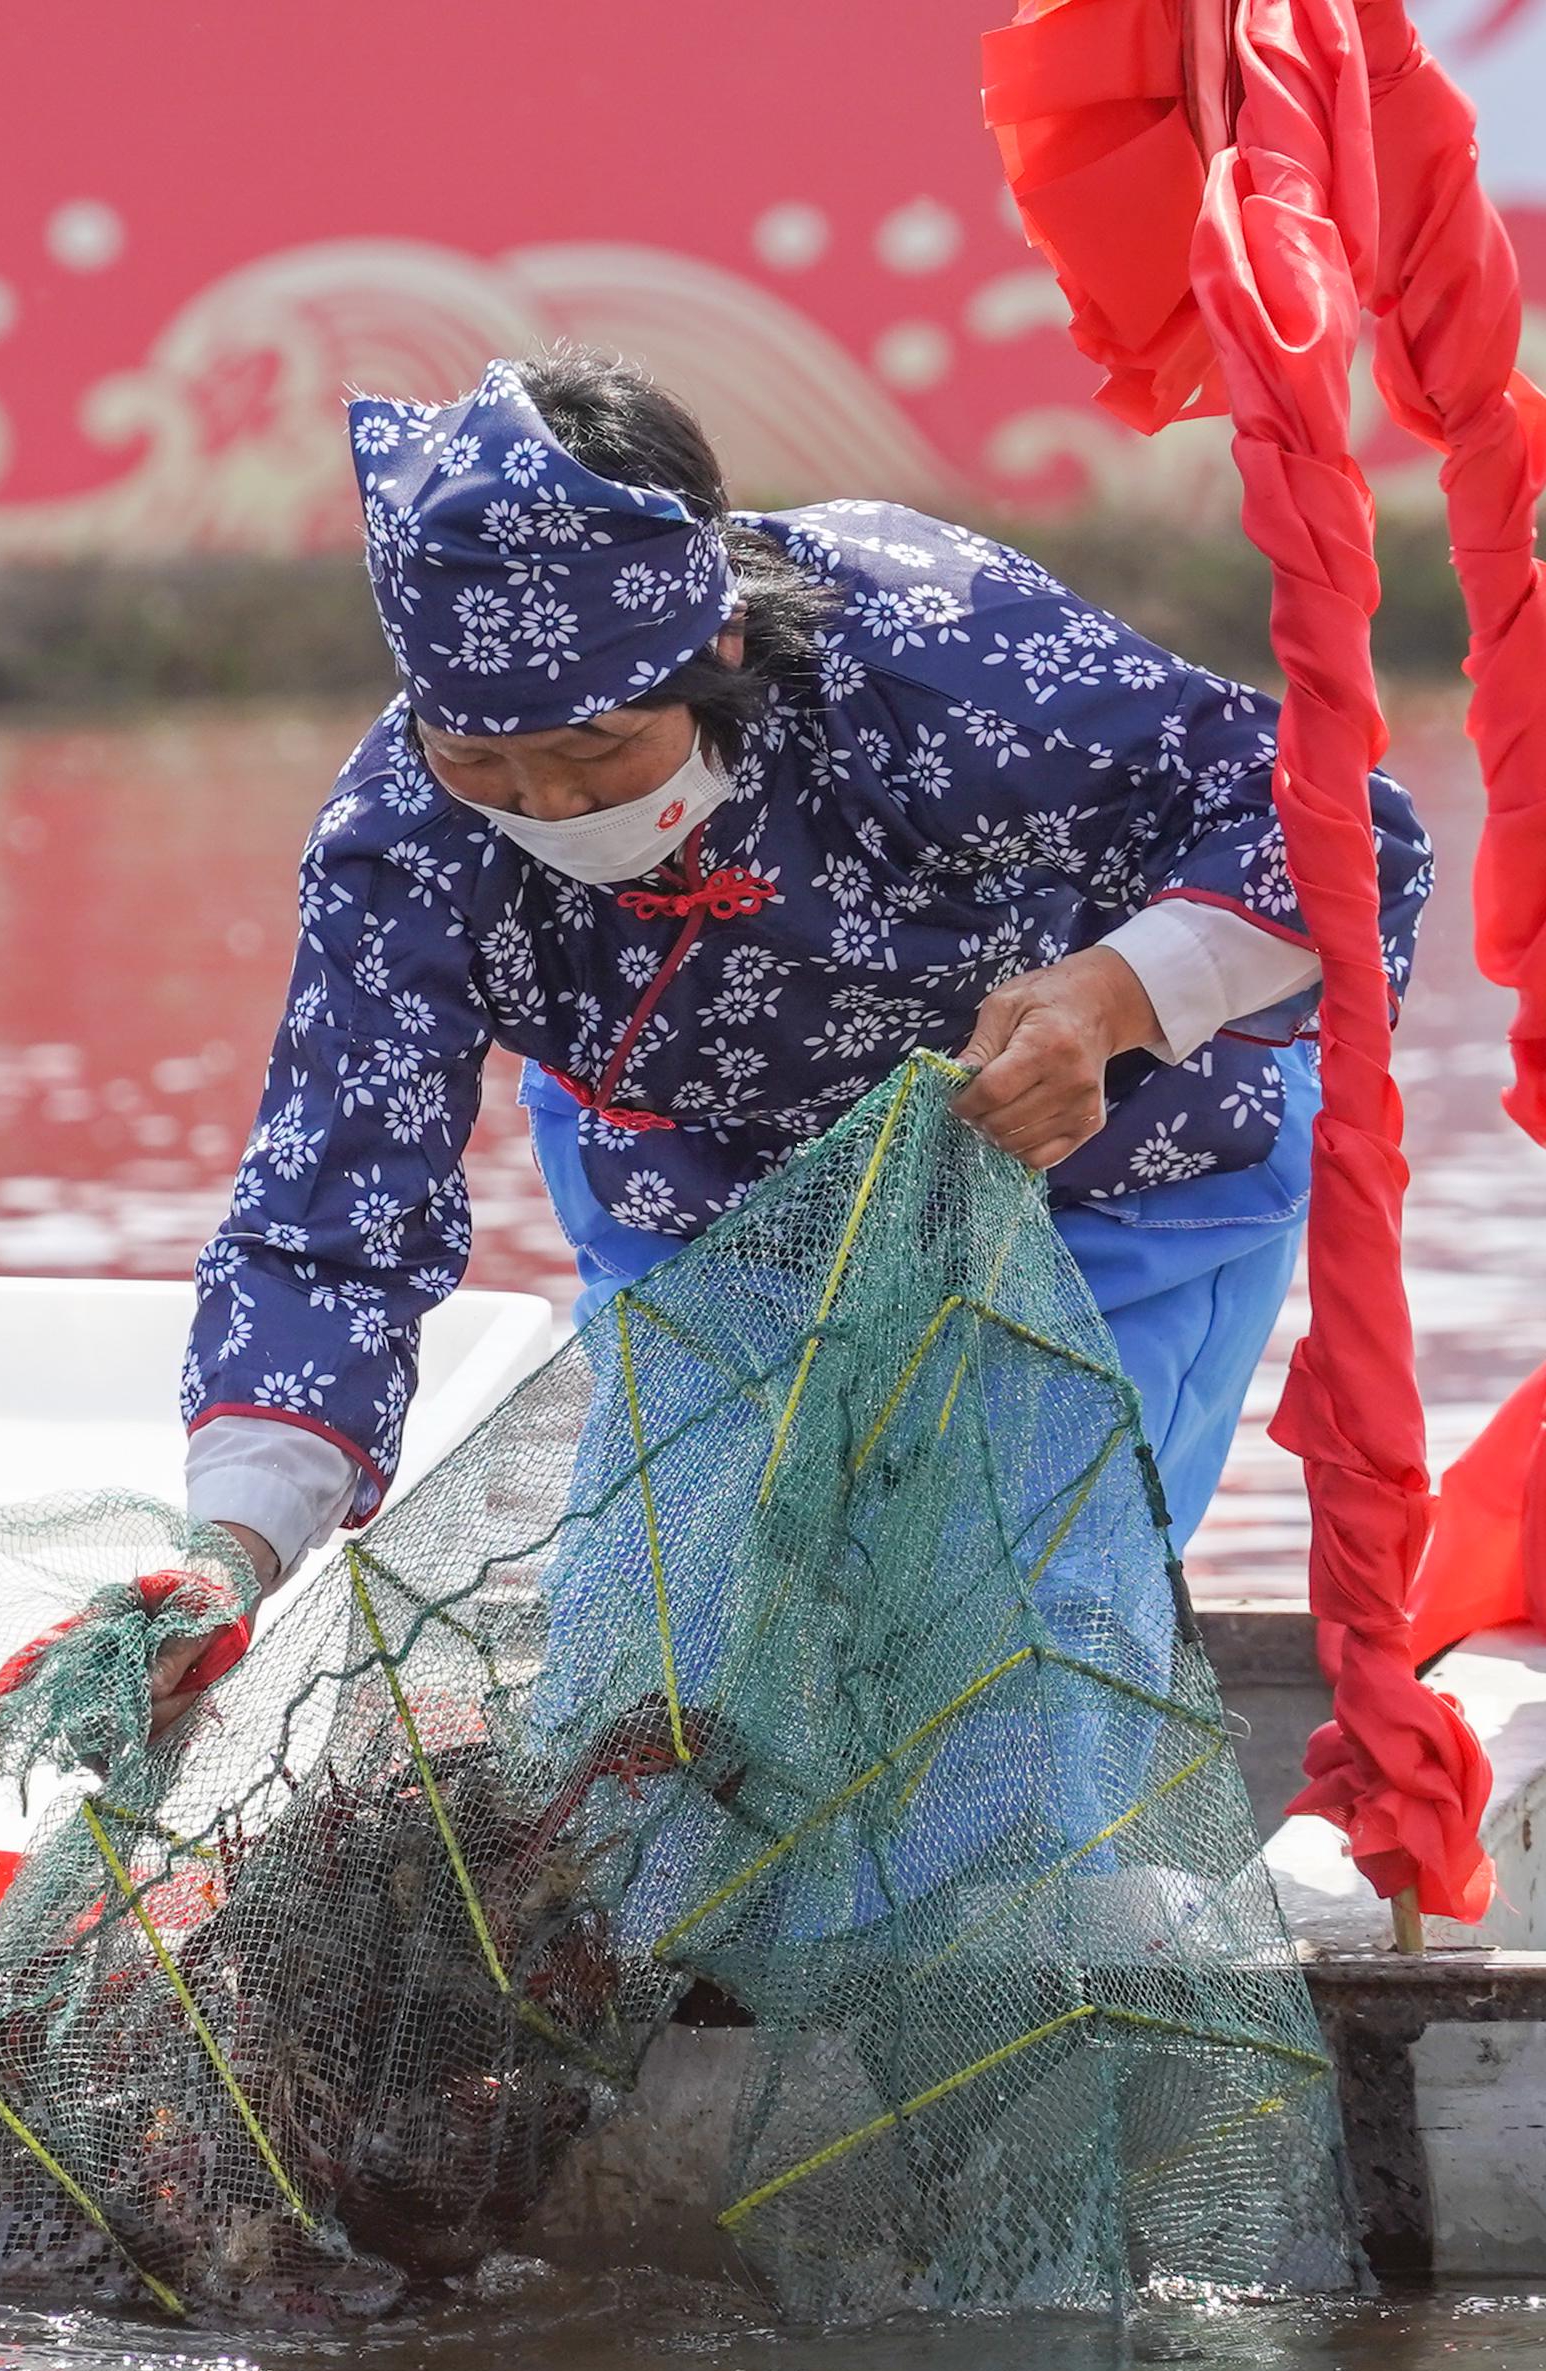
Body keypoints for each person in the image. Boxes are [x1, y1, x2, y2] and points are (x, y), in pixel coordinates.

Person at [151, 349, 1429, 1730]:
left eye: (598, 749)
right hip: (706, 1209)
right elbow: (330, 1212)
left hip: (1095, 1174)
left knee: (1003, 1643)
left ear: (719, 653)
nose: (544, 801)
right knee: (660, 1670)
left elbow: (1334, 832)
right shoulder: (403, 846)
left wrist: (1115, 999)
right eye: (483, 758)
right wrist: (231, 1552)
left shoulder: (934, 648)